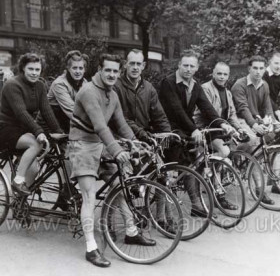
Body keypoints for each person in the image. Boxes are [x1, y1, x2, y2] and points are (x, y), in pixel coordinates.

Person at [68, 53, 156, 268]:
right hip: (82, 144)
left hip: (100, 143)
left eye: (115, 71)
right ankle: (90, 247)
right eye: (107, 70)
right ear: (99, 70)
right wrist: (117, 150)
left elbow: (121, 123)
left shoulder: (112, 93)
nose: (112, 74)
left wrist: (136, 143)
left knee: (120, 185)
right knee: (88, 196)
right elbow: (99, 125)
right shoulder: (89, 91)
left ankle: (131, 232)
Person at [158, 49, 233, 213]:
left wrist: (222, 123)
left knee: (192, 163)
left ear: (197, 68)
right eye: (185, 65)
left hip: (185, 127)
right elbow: (177, 110)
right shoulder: (168, 82)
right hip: (167, 128)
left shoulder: (195, 85)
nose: (188, 69)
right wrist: (193, 130)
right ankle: (164, 213)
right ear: (179, 65)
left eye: (192, 66)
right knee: (169, 169)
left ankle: (196, 205)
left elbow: (207, 107)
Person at [114, 49, 176, 231]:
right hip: (120, 137)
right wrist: (141, 134)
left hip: (142, 137)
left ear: (143, 66)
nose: (134, 67)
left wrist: (168, 134)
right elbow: (121, 118)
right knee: (131, 178)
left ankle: (162, 218)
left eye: (138, 64)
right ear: (125, 64)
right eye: (131, 63)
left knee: (161, 172)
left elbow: (159, 115)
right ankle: (137, 214)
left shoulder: (148, 88)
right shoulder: (117, 86)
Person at [193, 62, 266, 208]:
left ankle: (219, 172)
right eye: (219, 73)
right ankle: (217, 191)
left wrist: (239, 129)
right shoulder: (206, 88)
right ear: (213, 73)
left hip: (222, 129)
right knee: (223, 152)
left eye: (225, 74)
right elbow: (208, 112)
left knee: (250, 140)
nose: (222, 77)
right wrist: (226, 127)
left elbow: (232, 114)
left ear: (228, 76)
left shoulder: (226, 92)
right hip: (206, 128)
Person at [0, 53, 62, 196]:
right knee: (36, 143)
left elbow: (47, 111)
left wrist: (58, 131)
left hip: (23, 130)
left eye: (37, 70)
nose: (34, 73)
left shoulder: (40, 86)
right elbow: (21, 113)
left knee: (33, 169)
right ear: (23, 68)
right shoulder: (12, 85)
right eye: (31, 69)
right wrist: (38, 131)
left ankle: (19, 205)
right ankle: (18, 180)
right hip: (5, 129)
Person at [231, 55, 279, 204]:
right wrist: (253, 124)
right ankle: (259, 189)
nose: (258, 71)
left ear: (265, 69)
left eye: (261, 68)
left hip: (254, 119)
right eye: (255, 68)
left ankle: (246, 161)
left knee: (272, 135)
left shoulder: (264, 85)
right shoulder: (239, 85)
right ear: (249, 69)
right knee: (253, 142)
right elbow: (242, 108)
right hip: (238, 120)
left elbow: (267, 107)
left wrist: (273, 121)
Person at [47, 50, 88, 133]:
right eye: (74, 68)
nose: (78, 71)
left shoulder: (84, 83)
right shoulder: (59, 84)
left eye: (81, 68)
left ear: (85, 70)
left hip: (70, 123)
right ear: (68, 68)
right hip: (51, 126)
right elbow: (72, 111)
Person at [263, 52, 280, 121]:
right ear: (270, 62)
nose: (278, 66)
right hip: (262, 106)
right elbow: (265, 95)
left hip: (273, 105)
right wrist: (277, 110)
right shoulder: (264, 74)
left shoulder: (278, 74)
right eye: (276, 63)